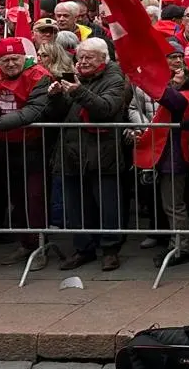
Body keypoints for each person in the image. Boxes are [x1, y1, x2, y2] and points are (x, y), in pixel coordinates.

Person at [0, 36, 56, 268]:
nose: (10, 64)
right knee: (16, 197)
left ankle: (39, 245)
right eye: (4, 60)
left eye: (14, 58)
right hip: (7, 145)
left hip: (35, 145)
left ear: (23, 57)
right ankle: (25, 243)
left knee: (35, 197)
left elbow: (33, 112)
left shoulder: (39, 76)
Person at [56, 38, 132, 272]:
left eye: (89, 57)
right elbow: (59, 112)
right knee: (76, 204)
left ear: (103, 58)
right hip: (72, 151)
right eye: (80, 57)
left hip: (103, 151)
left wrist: (78, 91)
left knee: (108, 204)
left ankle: (110, 250)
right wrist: (56, 95)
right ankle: (83, 248)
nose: (83, 62)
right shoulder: (72, 76)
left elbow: (106, 109)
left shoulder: (115, 78)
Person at [132, 39, 189, 267]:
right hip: (165, 152)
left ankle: (180, 247)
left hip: (175, 154)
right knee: (168, 203)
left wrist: (142, 77)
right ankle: (176, 244)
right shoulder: (183, 90)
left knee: (173, 204)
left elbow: (168, 99)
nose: (176, 71)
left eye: (180, 70)